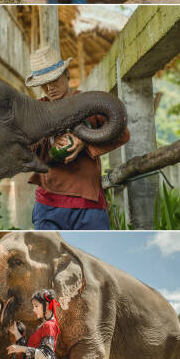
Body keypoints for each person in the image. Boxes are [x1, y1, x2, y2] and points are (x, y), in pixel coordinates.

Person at [25, 41, 129, 229]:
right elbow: (25, 149)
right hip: (47, 206)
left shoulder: (89, 103)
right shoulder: (35, 112)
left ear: (67, 74)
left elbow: (122, 133)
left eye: (54, 80)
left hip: (87, 204)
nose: (50, 89)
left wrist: (84, 141)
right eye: (43, 84)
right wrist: (51, 142)